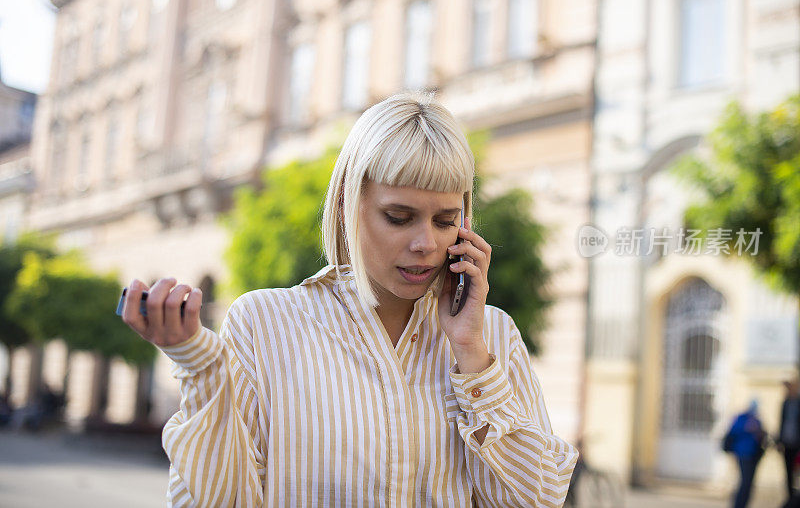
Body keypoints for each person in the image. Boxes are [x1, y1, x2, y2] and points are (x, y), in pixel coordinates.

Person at [122, 92, 578, 506]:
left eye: (445, 220)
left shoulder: (492, 335)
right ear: (347, 205)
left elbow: (536, 500)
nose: (426, 243)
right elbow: (219, 499)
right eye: (399, 217)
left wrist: (472, 355)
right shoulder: (266, 324)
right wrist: (199, 363)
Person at [724, 400, 767, 508]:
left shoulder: (757, 420)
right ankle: (738, 505)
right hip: (743, 454)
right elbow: (733, 432)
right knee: (744, 482)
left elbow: (761, 436)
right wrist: (746, 429)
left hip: (753, 455)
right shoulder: (741, 418)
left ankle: (744, 504)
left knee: (749, 483)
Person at [779, 379, 800, 501]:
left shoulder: (798, 403)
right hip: (787, 442)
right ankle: (790, 497)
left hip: (797, 443)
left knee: (795, 470)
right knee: (788, 472)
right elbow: (781, 423)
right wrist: (780, 440)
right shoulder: (785, 403)